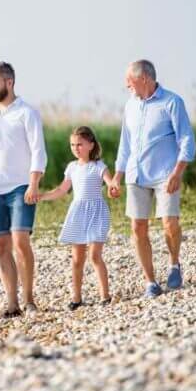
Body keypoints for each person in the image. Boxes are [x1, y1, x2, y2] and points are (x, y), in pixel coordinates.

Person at [108, 60, 196, 298]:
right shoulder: (130, 106)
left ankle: (174, 264)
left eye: (129, 80)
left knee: (170, 223)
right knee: (137, 227)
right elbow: (124, 145)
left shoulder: (172, 102)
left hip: (166, 175)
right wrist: (117, 176)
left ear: (144, 78)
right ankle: (150, 282)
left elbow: (187, 140)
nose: (126, 84)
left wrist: (178, 173)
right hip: (136, 175)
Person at [0, 61, 47, 317]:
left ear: (9, 82)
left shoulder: (27, 112)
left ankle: (29, 299)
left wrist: (34, 183)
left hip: (22, 187)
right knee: (1, 246)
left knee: (20, 242)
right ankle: (12, 303)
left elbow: (38, 151)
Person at [39, 126, 119, 309]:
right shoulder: (72, 167)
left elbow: (110, 183)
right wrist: (41, 196)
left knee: (95, 255)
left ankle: (105, 295)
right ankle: (76, 298)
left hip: (97, 212)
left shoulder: (99, 166)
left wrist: (113, 188)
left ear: (91, 145)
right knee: (77, 259)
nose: (76, 148)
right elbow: (61, 190)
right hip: (78, 213)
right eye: (73, 145)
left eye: (80, 144)